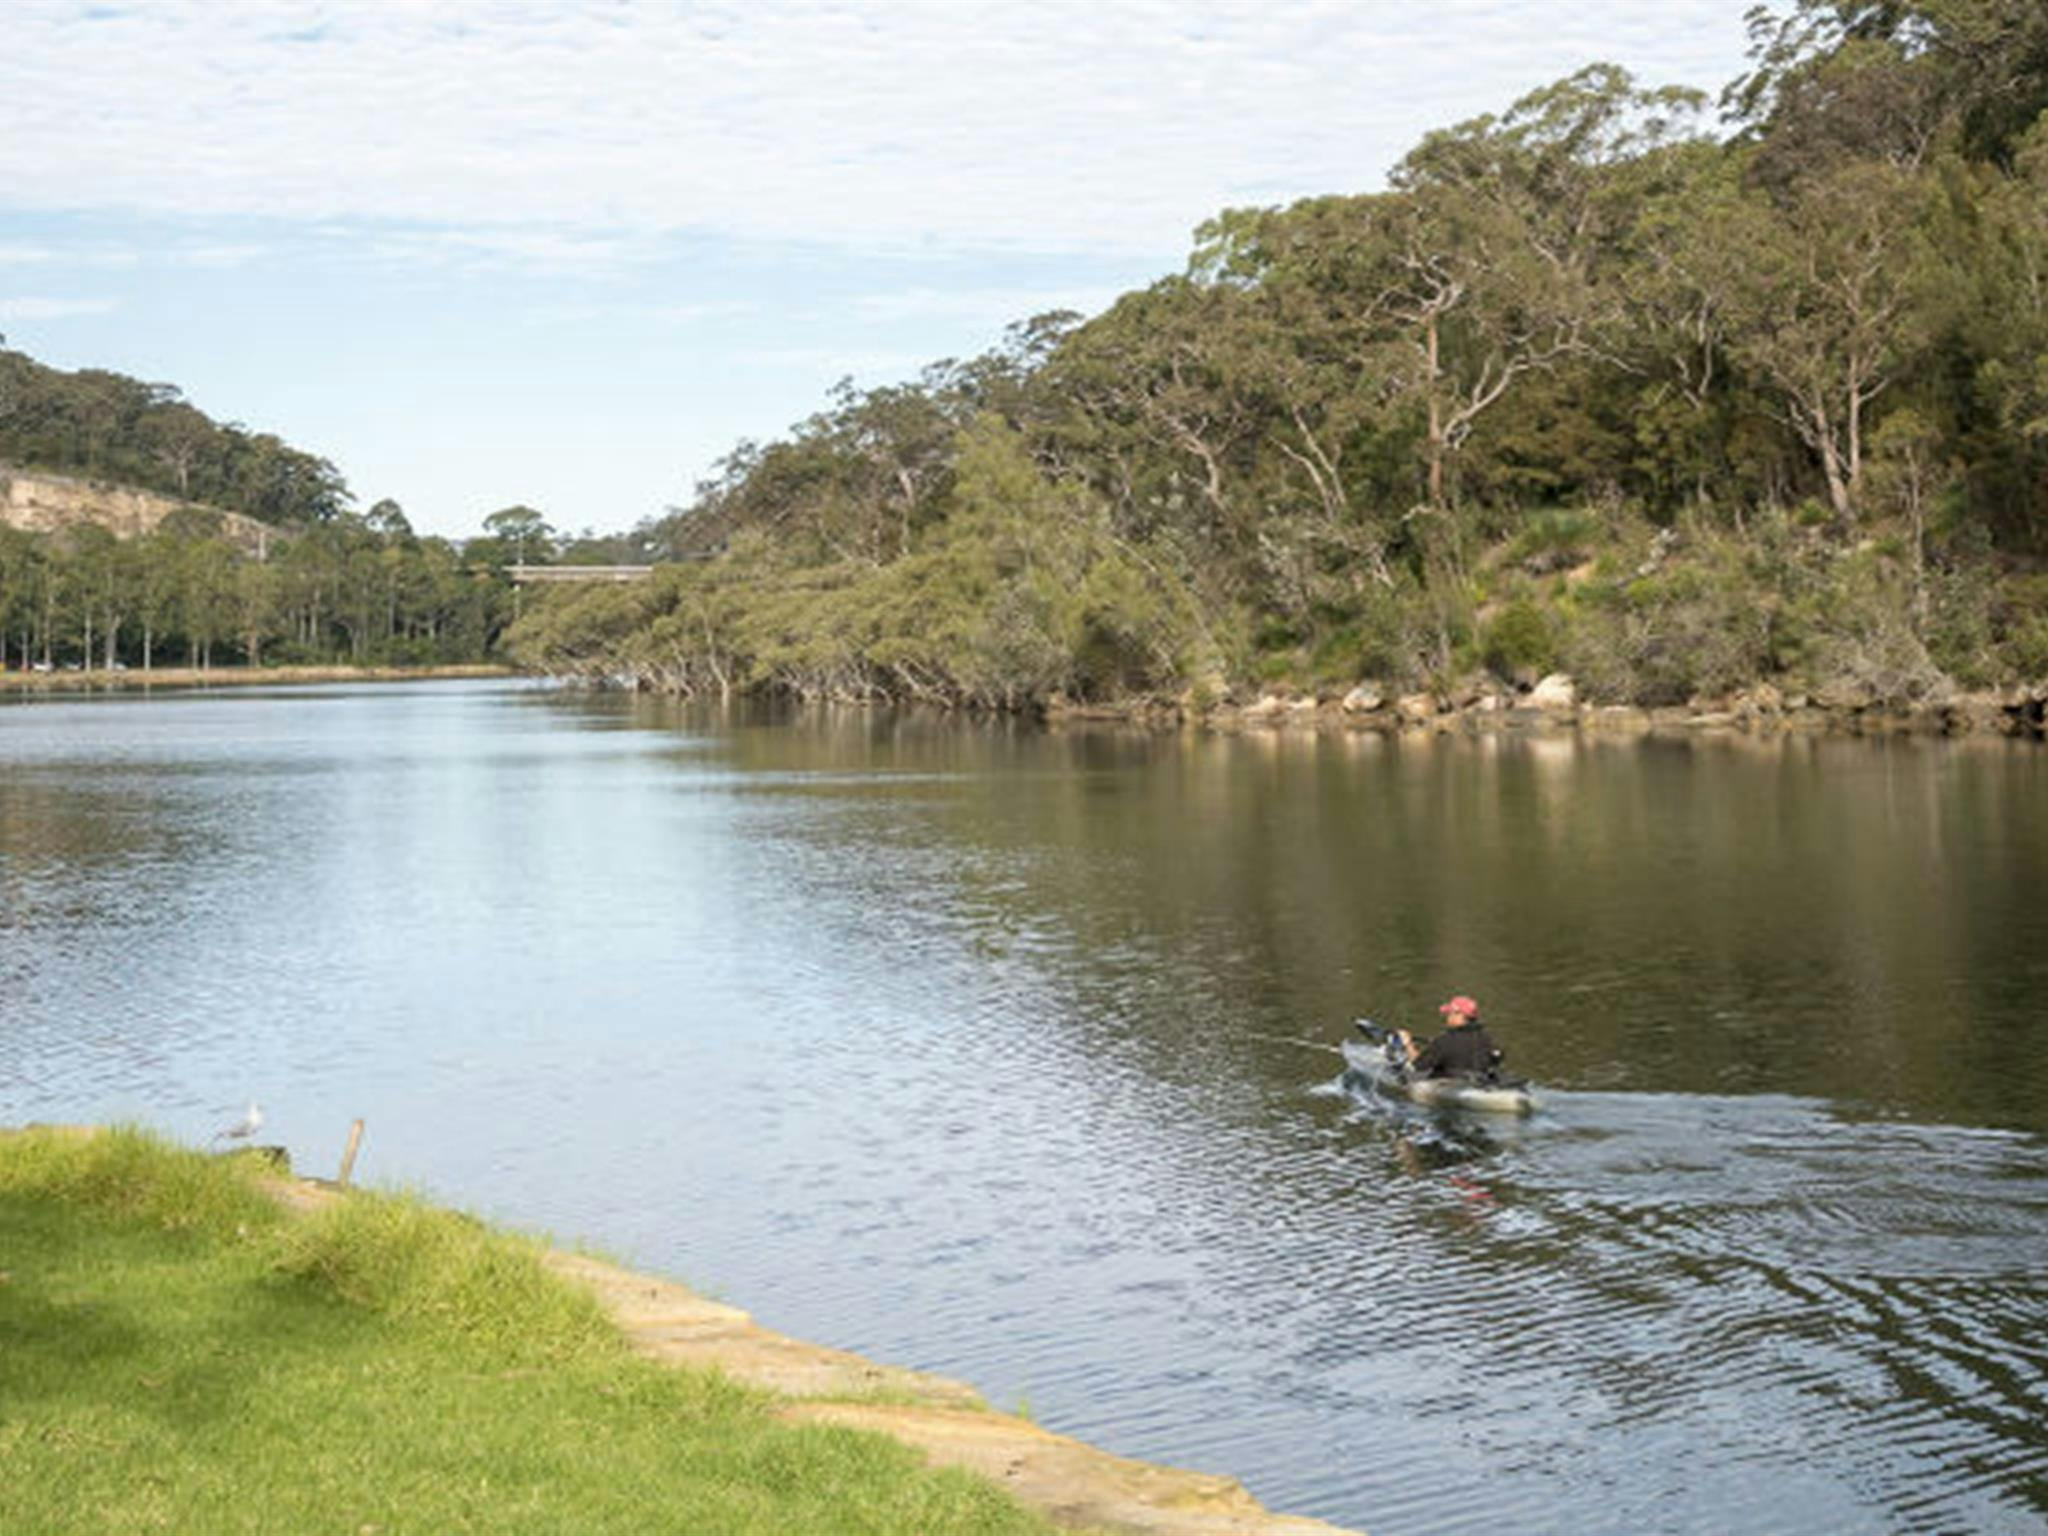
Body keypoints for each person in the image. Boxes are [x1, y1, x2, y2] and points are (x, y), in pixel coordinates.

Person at [1396, 996, 1502, 1080]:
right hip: (1479, 1082)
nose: (1447, 1017)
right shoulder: (1487, 1038)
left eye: (1449, 1013)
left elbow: (1417, 1066)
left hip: (1451, 1086)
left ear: (1459, 1015)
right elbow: (1496, 1058)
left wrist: (1408, 1043)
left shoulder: (1444, 1041)